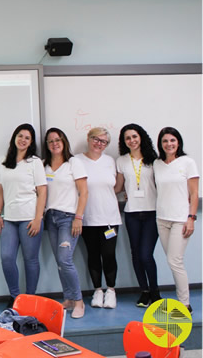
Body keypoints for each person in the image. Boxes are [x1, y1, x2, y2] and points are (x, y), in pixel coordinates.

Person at [0, 124, 47, 306]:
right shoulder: (4, 161)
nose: (23, 140)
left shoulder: (35, 162)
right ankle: (15, 296)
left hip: (29, 218)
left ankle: (30, 298)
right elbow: (0, 189)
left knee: (30, 259)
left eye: (27, 138)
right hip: (9, 219)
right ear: (14, 137)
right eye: (20, 136)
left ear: (31, 142)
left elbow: (42, 191)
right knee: (7, 257)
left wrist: (38, 218)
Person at [43, 128, 88, 319]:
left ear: (64, 141)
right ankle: (68, 298)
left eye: (58, 140)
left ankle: (79, 301)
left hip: (68, 218)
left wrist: (78, 217)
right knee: (60, 262)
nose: (54, 143)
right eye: (50, 141)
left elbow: (84, 192)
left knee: (65, 259)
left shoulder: (73, 163)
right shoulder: (44, 165)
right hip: (50, 218)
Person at [76, 127, 122, 309]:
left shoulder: (111, 161)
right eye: (96, 139)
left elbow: (117, 187)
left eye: (103, 141)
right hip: (87, 219)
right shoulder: (77, 160)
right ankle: (97, 290)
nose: (99, 143)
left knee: (109, 255)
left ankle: (111, 290)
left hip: (110, 219)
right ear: (88, 138)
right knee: (93, 255)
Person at [153, 127, 199, 312]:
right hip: (161, 219)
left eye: (172, 140)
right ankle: (183, 301)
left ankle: (184, 304)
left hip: (181, 219)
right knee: (172, 260)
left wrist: (191, 218)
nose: (169, 144)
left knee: (175, 260)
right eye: (165, 141)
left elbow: (195, 193)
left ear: (178, 142)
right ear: (161, 144)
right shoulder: (157, 164)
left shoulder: (187, 162)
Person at [115, 124, 160, 308]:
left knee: (145, 254)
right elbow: (118, 187)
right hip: (132, 213)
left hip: (152, 213)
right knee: (135, 254)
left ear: (140, 137)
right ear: (124, 142)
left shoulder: (154, 160)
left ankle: (155, 292)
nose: (132, 140)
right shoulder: (121, 161)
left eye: (134, 136)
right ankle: (144, 291)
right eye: (127, 138)